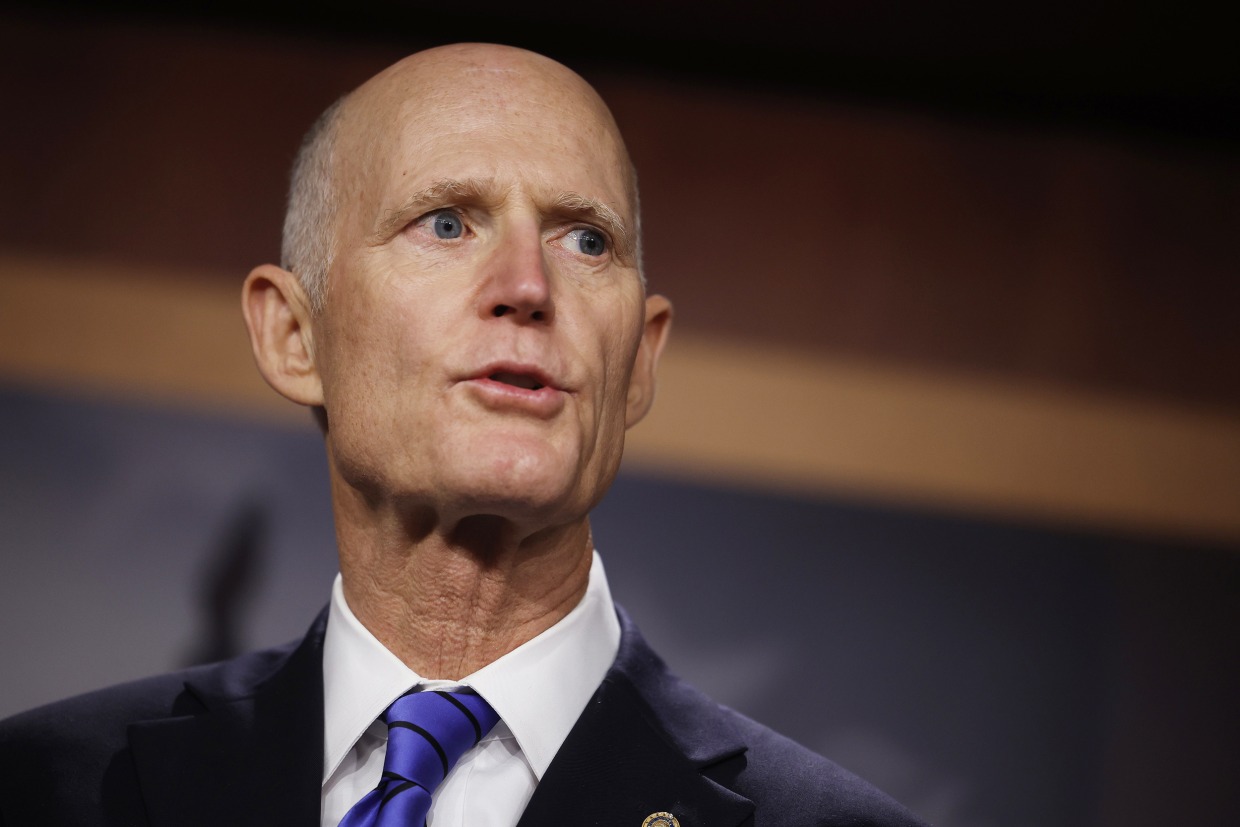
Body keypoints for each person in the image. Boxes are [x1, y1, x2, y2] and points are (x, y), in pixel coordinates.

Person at [0, 44, 927, 827]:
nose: (528, 284)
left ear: (639, 362)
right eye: (445, 223)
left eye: (586, 241)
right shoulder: (42, 789)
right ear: (294, 336)